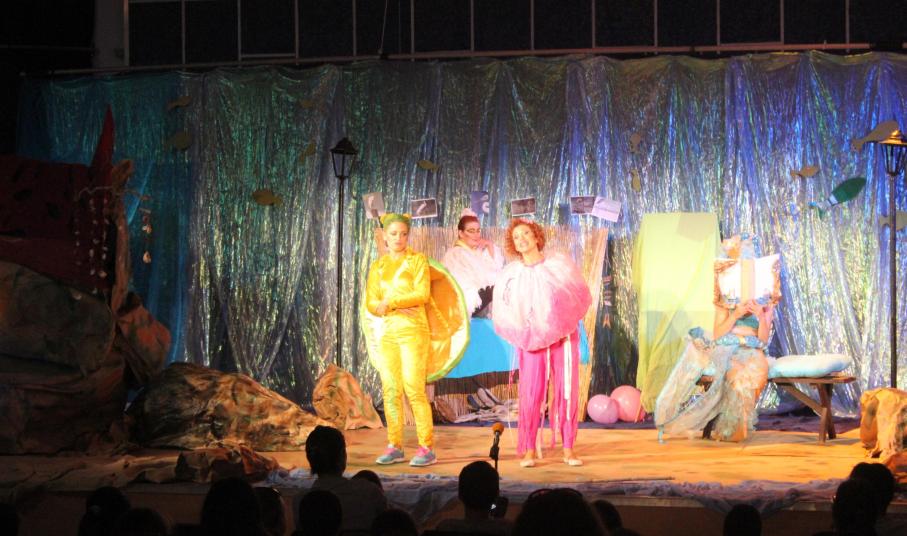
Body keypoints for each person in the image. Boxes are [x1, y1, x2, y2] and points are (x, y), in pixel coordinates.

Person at [655, 234, 778, 443]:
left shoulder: (764, 300)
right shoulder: (725, 298)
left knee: (753, 374)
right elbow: (719, 333)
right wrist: (735, 314)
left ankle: (737, 427)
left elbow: (764, 339)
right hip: (728, 347)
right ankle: (732, 427)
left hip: (752, 349)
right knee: (735, 377)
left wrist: (760, 316)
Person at [492, 218, 592, 468]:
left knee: (566, 390)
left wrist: (559, 322)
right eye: (516, 237)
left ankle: (568, 448)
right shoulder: (512, 275)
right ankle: (529, 450)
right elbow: (506, 309)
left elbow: (577, 295)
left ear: (536, 236)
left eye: (526, 233)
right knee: (531, 393)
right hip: (533, 341)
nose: (522, 239)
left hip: (562, 337)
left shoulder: (558, 266)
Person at [365, 212, 436, 467]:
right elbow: (371, 301)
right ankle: (395, 445)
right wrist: (379, 307)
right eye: (393, 234)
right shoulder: (378, 266)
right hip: (388, 333)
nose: (398, 238)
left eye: (403, 234)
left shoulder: (417, 260)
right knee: (391, 389)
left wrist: (392, 302)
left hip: (413, 331)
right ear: (384, 236)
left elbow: (422, 294)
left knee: (414, 388)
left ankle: (426, 447)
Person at [306, 425, 386, 533]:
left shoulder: (300, 502)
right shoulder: (369, 492)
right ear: (342, 456)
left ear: (310, 459)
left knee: (366, 475)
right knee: (368, 476)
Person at [441, 211, 504, 317]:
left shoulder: (474, 251)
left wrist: (489, 245)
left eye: (478, 231)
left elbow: (495, 269)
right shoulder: (456, 254)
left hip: (473, 300)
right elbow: (484, 278)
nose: (476, 235)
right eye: (471, 231)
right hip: (461, 304)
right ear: (461, 233)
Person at [434, 461, 512, 535]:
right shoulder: (507, 529)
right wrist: (496, 521)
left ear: (460, 495)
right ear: (497, 495)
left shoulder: (445, 527)